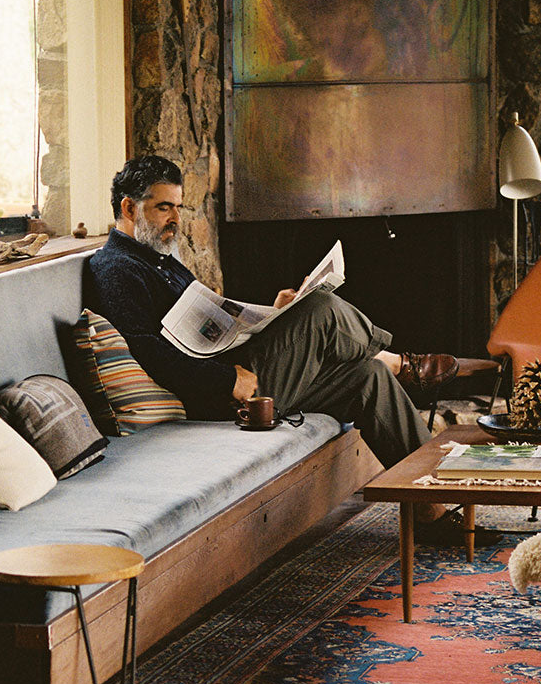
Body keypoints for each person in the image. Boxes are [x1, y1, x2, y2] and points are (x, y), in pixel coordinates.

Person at [86, 154, 487, 545]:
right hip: (221, 400)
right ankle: (403, 363)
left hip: (237, 373)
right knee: (323, 308)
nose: (176, 218)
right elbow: (146, 350)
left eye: (178, 207)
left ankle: (432, 511)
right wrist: (226, 379)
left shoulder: (160, 259)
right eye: (164, 208)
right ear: (129, 207)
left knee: (369, 377)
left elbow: (211, 325)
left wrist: (270, 315)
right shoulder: (116, 268)